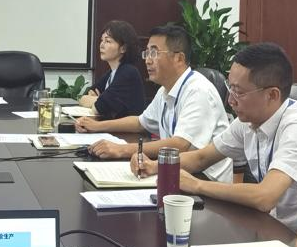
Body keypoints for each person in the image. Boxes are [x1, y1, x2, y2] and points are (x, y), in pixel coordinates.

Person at [133, 43, 297, 233]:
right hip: (277, 230)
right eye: (230, 88)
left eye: (239, 92)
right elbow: (201, 158)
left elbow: (264, 197)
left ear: (272, 95)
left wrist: (197, 185)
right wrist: (156, 166)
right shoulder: (248, 121)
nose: (230, 100)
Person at [74, 24, 231, 180]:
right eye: (147, 53)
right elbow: (140, 122)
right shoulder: (164, 90)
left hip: (205, 180)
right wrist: (97, 126)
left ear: (179, 58)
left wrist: (121, 149)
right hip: (176, 172)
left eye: (154, 53)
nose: (148, 60)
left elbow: (180, 144)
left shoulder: (198, 90)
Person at [76, 20, 147, 119]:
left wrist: (98, 100)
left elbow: (98, 108)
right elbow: (83, 98)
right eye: (102, 40)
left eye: (108, 41)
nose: (101, 45)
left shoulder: (128, 73)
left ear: (123, 48)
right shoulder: (111, 73)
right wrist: (99, 100)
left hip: (126, 129)